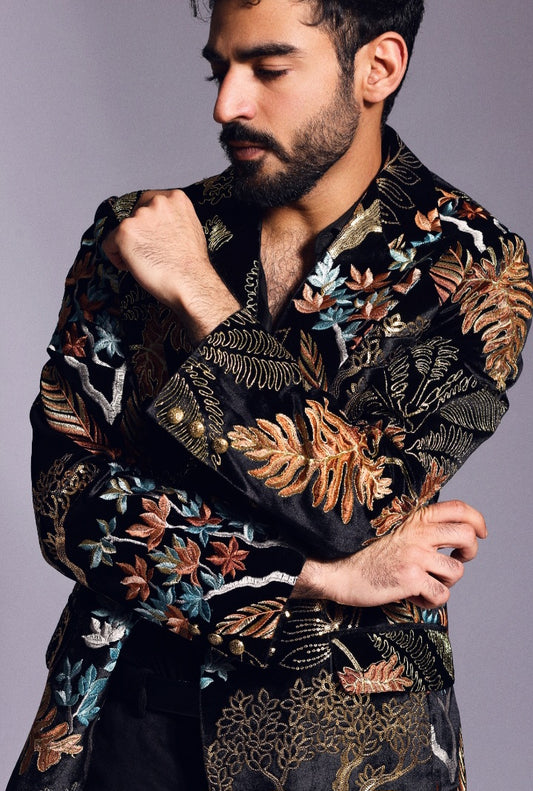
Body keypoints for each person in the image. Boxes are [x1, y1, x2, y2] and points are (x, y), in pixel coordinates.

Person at [8, 0, 532, 789]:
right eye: (220, 69)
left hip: (340, 743)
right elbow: (65, 499)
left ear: (377, 68)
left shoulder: (474, 270)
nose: (227, 104)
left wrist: (198, 294)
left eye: (269, 69)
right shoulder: (135, 233)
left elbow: (358, 505)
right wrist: (311, 579)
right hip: (116, 715)